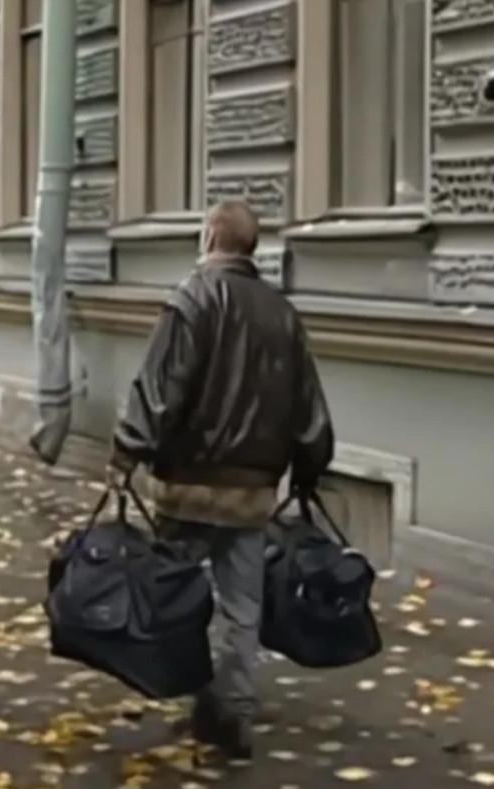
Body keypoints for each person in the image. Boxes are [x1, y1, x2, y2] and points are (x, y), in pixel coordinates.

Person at [107, 199, 334, 758]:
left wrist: (126, 452)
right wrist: (309, 469)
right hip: (251, 491)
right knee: (241, 604)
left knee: (177, 592)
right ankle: (231, 707)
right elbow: (308, 405)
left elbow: (159, 388)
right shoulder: (282, 314)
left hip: (187, 483)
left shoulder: (192, 300)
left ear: (209, 238)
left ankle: (187, 689)